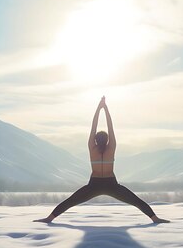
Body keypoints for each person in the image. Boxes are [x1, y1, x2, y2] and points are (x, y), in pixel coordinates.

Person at [34, 96, 170, 224]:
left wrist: (99, 108)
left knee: (71, 201)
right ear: (107, 140)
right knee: (135, 200)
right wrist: (105, 109)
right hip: (109, 184)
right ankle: (155, 219)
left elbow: (93, 127)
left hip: (97, 184)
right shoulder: (111, 147)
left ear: (95, 140)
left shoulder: (92, 148)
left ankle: (49, 218)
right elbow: (111, 128)